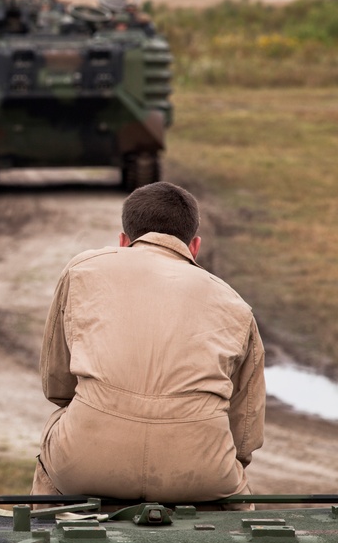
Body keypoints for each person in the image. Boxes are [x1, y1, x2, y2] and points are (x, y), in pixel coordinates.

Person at [32, 182, 265, 503]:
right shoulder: (235, 304)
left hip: (85, 462)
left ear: (123, 242)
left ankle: (46, 538)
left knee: (54, 444)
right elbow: (244, 435)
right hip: (199, 472)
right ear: (193, 246)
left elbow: (57, 387)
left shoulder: (82, 269)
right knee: (236, 503)